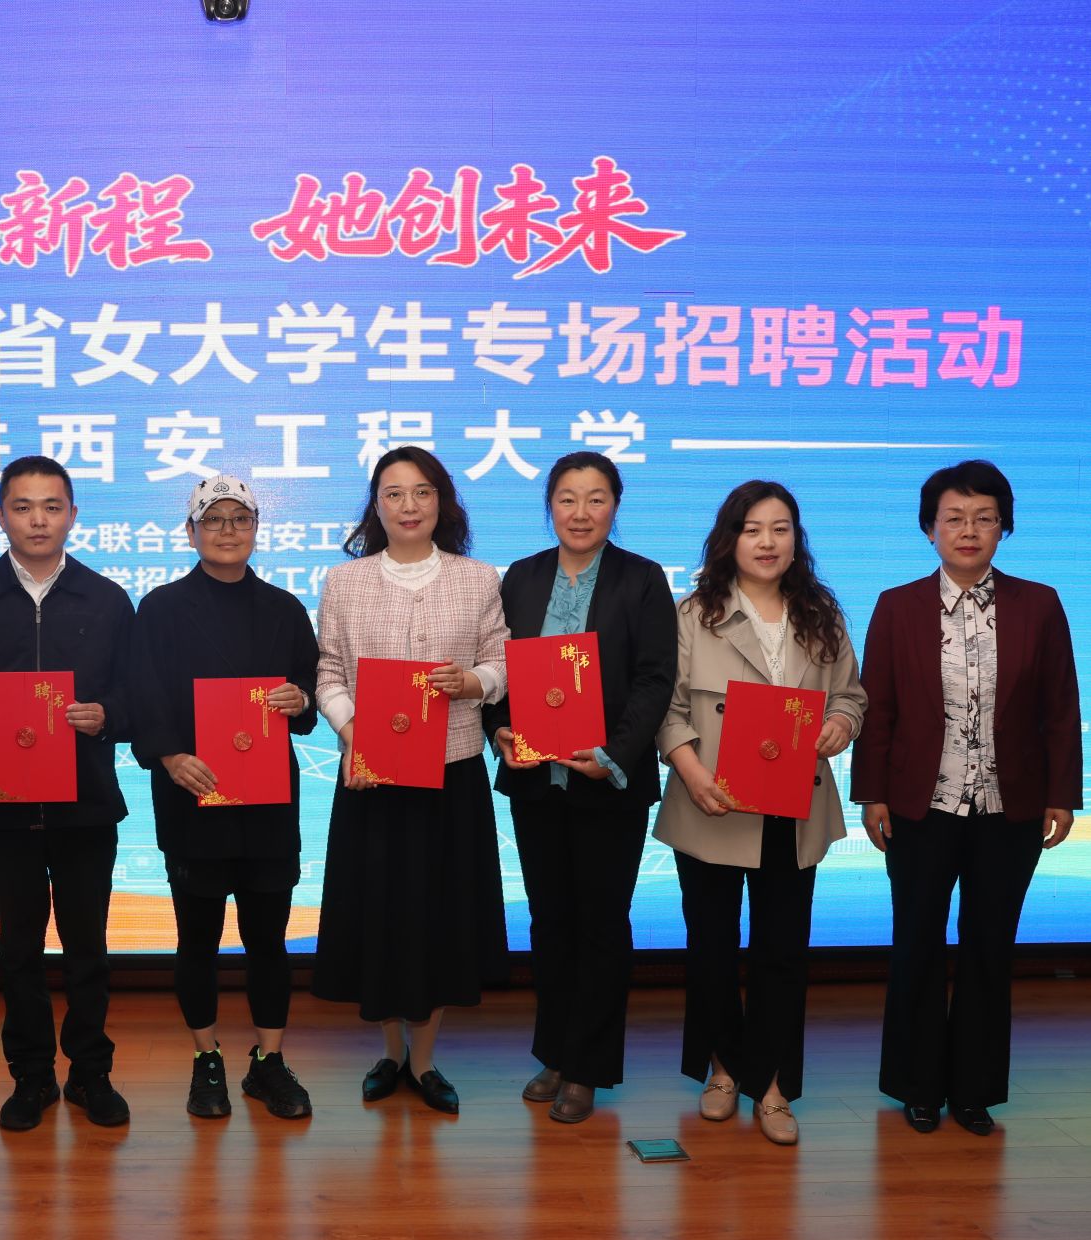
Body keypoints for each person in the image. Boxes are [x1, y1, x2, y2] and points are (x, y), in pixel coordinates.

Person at [853, 460, 1081, 1137]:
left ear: (1004, 527)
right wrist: (871, 793)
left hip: (1010, 808)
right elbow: (877, 706)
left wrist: (1062, 794)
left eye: (984, 518)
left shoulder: (1039, 604)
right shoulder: (897, 605)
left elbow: (1060, 707)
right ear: (930, 529)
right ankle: (918, 1086)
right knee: (916, 943)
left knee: (990, 945)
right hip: (919, 806)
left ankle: (975, 1090)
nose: (969, 530)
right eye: (953, 518)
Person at [0, 455, 135, 1131]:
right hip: (3, 810)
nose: (37, 520)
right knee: (17, 949)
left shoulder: (107, 599)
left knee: (87, 948)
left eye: (51, 506)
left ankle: (91, 1073)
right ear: (0, 516)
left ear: (73, 515)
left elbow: (138, 696)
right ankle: (32, 1076)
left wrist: (107, 716)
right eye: (22, 506)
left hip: (85, 807)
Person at [653, 480, 865, 1146]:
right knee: (711, 949)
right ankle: (723, 1070)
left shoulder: (822, 615)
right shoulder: (694, 614)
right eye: (752, 529)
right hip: (712, 801)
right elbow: (667, 708)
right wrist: (692, 774)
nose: (767, 542)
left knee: (782, 952)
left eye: (780, 529)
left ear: (796, 539)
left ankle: (771, 1083)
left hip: (793, 806)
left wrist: (840, 724)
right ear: (730, 539)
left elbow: (851, 696)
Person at [310, 446, 509, 1114]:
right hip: (372, 777)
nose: (409, 505)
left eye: (422, 491)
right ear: (376, 506)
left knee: (438, 917)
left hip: (451, 774)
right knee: (382, 915)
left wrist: (472, 681)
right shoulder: (345, 582)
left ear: (442, 501)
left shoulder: (479, 578)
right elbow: (328, 673)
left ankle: (424, 1062)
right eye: (393, 493)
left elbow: (503, 662)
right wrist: (355, 735)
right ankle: (391, 1053)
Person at [486, 452, 676, 1125]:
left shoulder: (642, 578)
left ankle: (588, 1066)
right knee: (549, 921)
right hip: (537, 781)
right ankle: (555, 1051)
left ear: (615, 506)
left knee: (601, 924)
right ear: (550, 506)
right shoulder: (522, 575)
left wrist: (614, 754)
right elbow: (496, 666)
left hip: (608, 783)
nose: (581, 512)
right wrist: (499, 729)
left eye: (596, 498)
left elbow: (656, 678)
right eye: (567, 498)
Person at [129, 476, 320, 1121]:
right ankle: (205, 1057)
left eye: (240, 519)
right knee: (198, 939)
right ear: (191, 533)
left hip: (267, 803)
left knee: (269, 939)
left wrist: (299, 699)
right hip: (193, 795)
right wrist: (169, 757)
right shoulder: (160, 608)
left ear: (257, 529)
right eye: (213, 520)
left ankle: (269, 1061)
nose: (228, 530)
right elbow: (143, 697)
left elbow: (307, 701)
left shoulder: (285, 609)